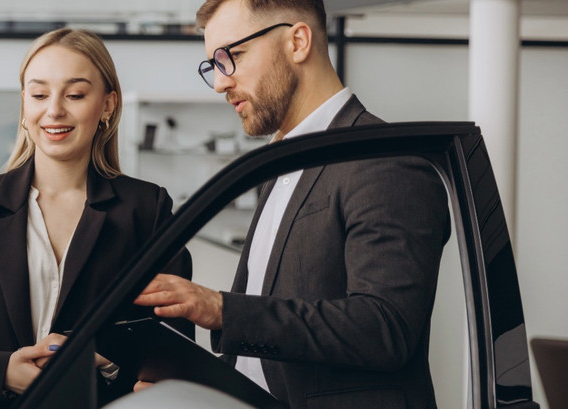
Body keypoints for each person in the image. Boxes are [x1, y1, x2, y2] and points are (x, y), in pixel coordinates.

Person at [132, 0, 451, 408]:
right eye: (213, 64)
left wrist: (222, 310)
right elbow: (266, 360)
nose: (219, 83)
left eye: (233, 56)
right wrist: (197, 384)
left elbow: (384, 329)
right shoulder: (277, 164)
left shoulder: (387, 162)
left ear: (298, 42)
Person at [0, 28, 193, 409]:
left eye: (75, 95)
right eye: (39, 94)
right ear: (24, 104)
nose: (54, 110)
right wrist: (4, 371)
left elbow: (175, 352)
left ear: (107, 105)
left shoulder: (147, 209)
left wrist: (109, 365)